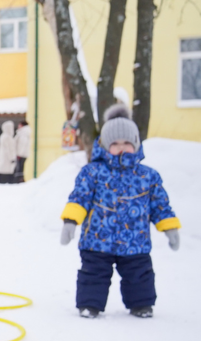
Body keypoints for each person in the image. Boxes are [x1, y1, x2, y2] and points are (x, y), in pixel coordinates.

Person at [60, 103, 181, 319]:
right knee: (93, 274)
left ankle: (141, 304)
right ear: (105, 146)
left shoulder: (148, 176)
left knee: (139, 275)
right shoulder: (93, 172)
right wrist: (70, 221)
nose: (122, 148)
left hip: (135, 242)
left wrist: (169, 228)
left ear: (136, 143)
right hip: (97, 240)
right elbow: (80, 197)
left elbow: (160, 205)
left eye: (127, 142)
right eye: (115, 144)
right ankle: (89, 304)